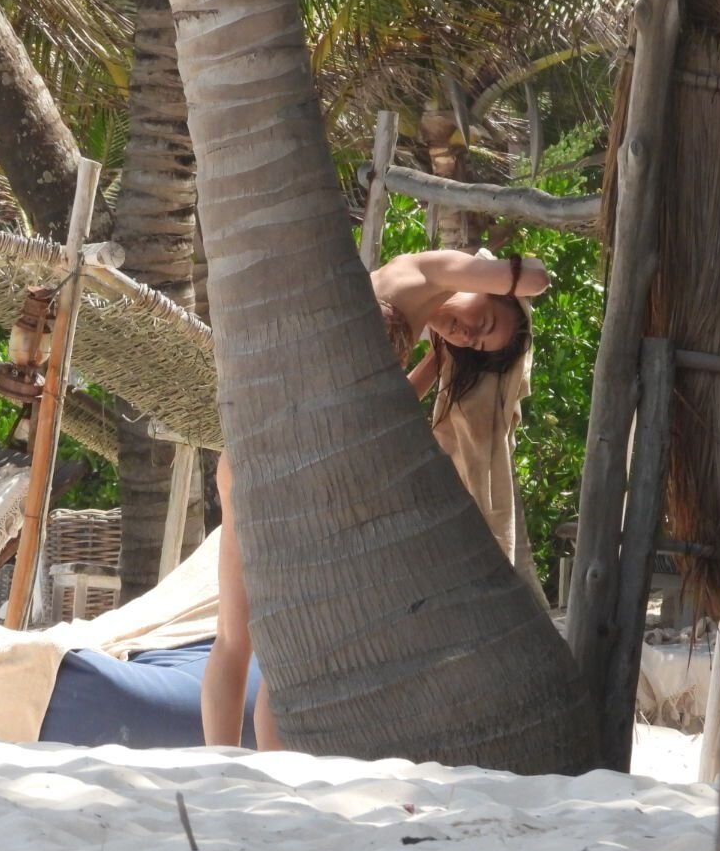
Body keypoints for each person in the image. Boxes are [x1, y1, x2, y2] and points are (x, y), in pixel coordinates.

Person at [200, 248, 549, 750]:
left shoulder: (421, 314)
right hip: (288, 468)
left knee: (260, 641)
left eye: (475, 341)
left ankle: (236, 770)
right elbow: (536, 280)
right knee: (265, 642)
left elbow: (381, 404)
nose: (469, 333)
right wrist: (498, 274)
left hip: (255, 453)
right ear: (485, 285)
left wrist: (437, 359)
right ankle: (234, 767)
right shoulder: (422, 270)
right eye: (486, 320)